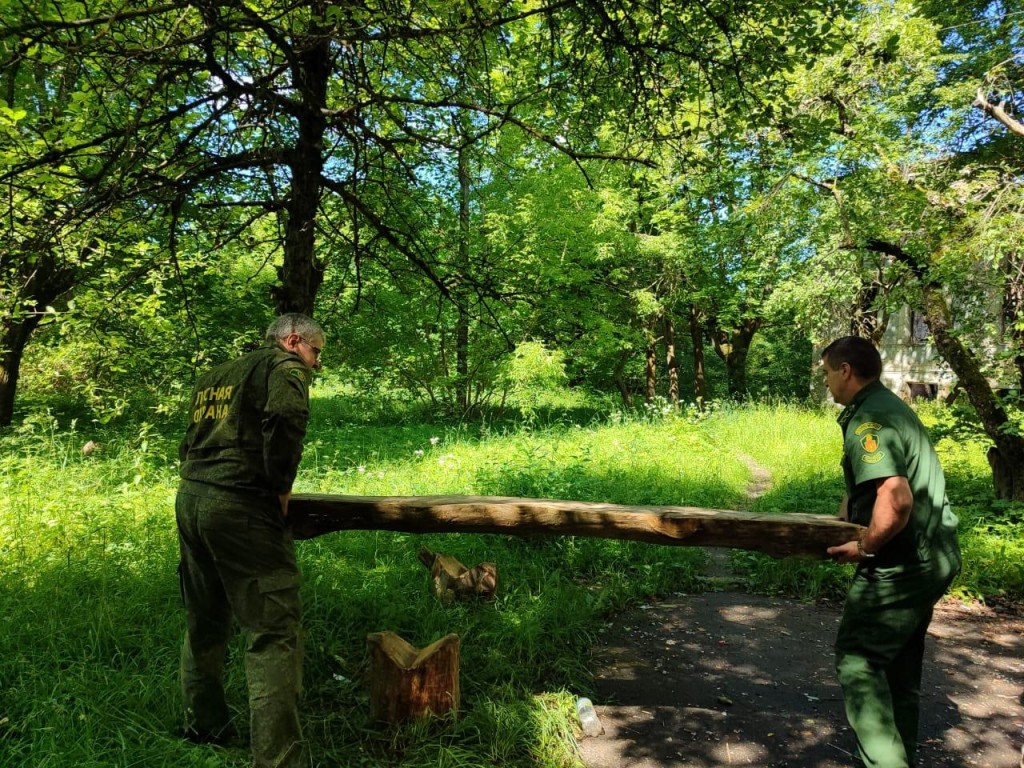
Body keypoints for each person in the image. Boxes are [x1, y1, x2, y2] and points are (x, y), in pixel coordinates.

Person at [176, 313, 324, 768]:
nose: (317, 365)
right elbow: (285, 414)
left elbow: (189, 441)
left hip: (192, 500)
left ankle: (203, 727)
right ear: (293, 341)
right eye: (316, 352)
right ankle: (279, 760)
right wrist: (280, 485)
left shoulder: (216, 375)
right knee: (273, 631)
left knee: (205, 617)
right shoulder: (284, 368)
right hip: (242, 507)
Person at [822, 335, 960, 768]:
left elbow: (897, 500)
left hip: (902, 565)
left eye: (827, 372)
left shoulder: (871, 421)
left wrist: (865, 544)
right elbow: (881, 485)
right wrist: (851, 510)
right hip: (934, 557)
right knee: (898, 668)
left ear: (845, 370)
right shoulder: (888, 407)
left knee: (858, 661)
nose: (827, 382)